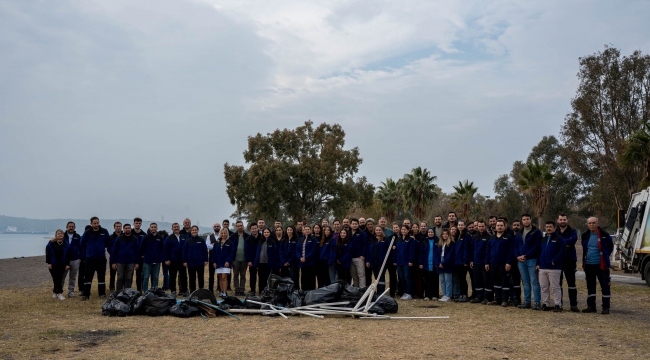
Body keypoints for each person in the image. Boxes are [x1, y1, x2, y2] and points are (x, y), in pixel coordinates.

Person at [581, 217, 613, 314]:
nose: (591, 225)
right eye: (590, 223)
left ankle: (606, 307)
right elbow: (584, 249)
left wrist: (605, 257)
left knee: (605, 286)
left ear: (597, 223)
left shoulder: (605, 235)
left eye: (593, 223)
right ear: (587, 224)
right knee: (590, 286)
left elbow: (610, 247)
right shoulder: (585, 235)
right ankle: (591, 306)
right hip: (589, 265)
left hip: (601, 265)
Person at [515, 214, 542, 310]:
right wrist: (517, 256)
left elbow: (537, 246)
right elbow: (516, 246)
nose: (525, 221)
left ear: (530, 220)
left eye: (527, 219)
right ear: (522, 221)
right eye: (524, 219)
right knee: (525, 282)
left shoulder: (536, 232)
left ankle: (537, 302)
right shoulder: (519, 233)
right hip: (521, 261)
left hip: (532, 259)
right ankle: (527, 302)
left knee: (534, 281)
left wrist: (526, 255)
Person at [538, 221, 566, 312]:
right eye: (547, 227)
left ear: (554, 228)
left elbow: (562, 251)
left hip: (554, 267)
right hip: (542, 267)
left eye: (550, 227)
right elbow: (539, 252)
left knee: (555, 287)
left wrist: (555, 260)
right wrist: (538, 263)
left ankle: (558, 305)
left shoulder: (559, 239)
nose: (548, 228)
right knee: (544, 287)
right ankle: (545, 304)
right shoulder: (543, 239)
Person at [80, 217, 110, 300]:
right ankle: (86, 295)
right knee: (88, 277)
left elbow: (108, 242)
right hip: (90, 258)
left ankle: (102, 294)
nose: (96, 225)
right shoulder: (87, 232)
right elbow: (81, 243)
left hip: (101, 258)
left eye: (97, 223)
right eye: (94, 223)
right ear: (91, 223)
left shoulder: (104, 231)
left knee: (101, 277)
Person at [486, 220, 514, 307]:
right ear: (496, 226)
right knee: (496, 282)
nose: (499, 227)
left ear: (505, 227)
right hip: (493, 263)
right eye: (498, 225)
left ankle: (504, 300)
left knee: (504, 282)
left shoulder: (508, 237)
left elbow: (511, 251)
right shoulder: (492, 238)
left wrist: (509, 262)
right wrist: (487, 263)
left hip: (504, 263)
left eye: (501, 225)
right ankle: (497, 299)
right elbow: (488, 251)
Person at [556, 214, 579, 312]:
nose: (562, 221)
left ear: (567, 220)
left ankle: (573, 305)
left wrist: (559, 243)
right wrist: (565, 243)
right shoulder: (554, 231)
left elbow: (572, 241)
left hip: (570, 261)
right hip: (558, 261)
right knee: (558, 284)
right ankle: (559, 304)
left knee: (572, 284)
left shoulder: (573, 231)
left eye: (564, 219)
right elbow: (553, 243)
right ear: (557, 220)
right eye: (560, 219)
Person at [110, 224, 139, 292]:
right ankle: (118, 292)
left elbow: (137, 251)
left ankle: (127, 292)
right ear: (123, 229)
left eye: (129, 228)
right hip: (120, 261)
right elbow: (114, 251)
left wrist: (137, 263)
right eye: (126, 228)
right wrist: (113, 262)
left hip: (130, 262)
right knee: (120, 277)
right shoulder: (119, 238)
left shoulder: (134, 239)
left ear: (131, 229)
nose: (127, 229)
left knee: (128, 278)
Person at [469, 221, 492, 304]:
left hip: (485, 263)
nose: (481, 228)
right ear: (477, 227)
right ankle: (479, 297)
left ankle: (487, 297)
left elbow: (489, 251)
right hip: (476, 262)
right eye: (479, 226)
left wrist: (487, 262)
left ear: (485, 226)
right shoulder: (474, 237)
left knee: (486, 280)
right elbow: (472, 250)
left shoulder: (489, 237)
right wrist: (471, 260)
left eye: (482, 226)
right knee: (477, 280)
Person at [163, 223, 187, 297]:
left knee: (183, 276)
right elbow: (165, 249)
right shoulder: (169, 238)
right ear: (172, 228)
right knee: (173, 276)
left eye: (177, 227)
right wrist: (166, 259)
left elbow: (186, 248)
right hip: (172, 261)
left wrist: (185, 259)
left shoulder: (183, 236)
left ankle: (185, 290)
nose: (176, 228)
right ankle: (173, 291)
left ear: (179, 228)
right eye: (175, 227)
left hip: (182, 260)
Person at [183, 225, 208, 293]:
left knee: (200, 277)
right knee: (192, 278)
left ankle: (201, 291)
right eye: (193, 230)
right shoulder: (188, 241)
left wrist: (206, 260)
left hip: (200, 262)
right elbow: (185, 251)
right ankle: (192, 291)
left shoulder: (201, 240)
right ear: (191, 231)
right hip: (190, 263)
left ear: (197, 231)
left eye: (195, 230)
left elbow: (205, 250)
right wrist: (184, 261)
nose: (194, 231)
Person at [46, 229, 70, 300]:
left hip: (62, 264)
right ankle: (57, 292)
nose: (60, 235)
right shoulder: (51, 243)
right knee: (55, 278)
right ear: (56, 235)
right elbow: (48, 253)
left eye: (61, 233)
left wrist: (67, 264)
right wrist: (49, 263)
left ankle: (58, 293)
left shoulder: (66, 244)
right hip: (53, 264)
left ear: (63, 235)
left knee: (59, 278)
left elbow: (68, 255)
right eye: (58, 233)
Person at [211, 228, 236, 297]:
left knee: (224, 277)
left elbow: (232, 253)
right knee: (220, 277)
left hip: (226, 263)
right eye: (222, 233)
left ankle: (225, 292)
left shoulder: (230, 243)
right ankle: (221, 291)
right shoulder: (217, 243)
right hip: (218, 263)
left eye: (224, 233)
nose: (223, 234)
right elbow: (213, 253)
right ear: (220, 234)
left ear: (227, 234)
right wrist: (214, 262)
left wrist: (228, 261)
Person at [140, 223, 164, 292]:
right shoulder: (146, 237)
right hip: (147, 260)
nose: (153, 228)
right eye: (152, 227)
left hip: (157, 260)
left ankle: (154, 291)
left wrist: (161, 257)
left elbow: (162, 248)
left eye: (155, 227)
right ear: (150, 228)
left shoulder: (160, 237)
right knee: (146, 276)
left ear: (157, 228)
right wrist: (142, 255)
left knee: (155, 277)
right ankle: (145, 291)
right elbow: (141, 247)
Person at [394, 224, 415, 300]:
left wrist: (411, 260)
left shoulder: (410, 239)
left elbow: (411, 251)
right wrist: (395, 260)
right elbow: (396, 251)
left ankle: (409, 293)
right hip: (399, 262)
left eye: (405, 229)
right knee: (402, 278)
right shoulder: (398, 239)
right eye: (402, 229)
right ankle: (404, 292)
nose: (403, 231)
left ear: (408, 230)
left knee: (407, 277)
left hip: (407, 262)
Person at [255, 228, 280, 293]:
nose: (266, 233)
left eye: (267, 232)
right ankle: (261, 291)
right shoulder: (260, 241)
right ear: (263, 233)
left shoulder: (273, 241)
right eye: (265, 232)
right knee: (260, 277)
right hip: (261, 262)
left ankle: (267, 291)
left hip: (268, 263)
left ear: (270, 233)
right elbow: (257, 252)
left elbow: (275, 253)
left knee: (267, 278)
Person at [366, 226, 390, 293]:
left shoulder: (385, 239)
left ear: (382, 231)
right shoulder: (371, 240)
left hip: (382, 262)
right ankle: (377, 291)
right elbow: (368, 250)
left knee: (381, 277)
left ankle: (381, 292)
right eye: (377, 230)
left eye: (379, 230)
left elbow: (388, 250)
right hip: (373, 261)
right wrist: (367, 260)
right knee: (376, 277)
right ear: (375, 231)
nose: (378, 231)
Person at [62, 221, 82, 298]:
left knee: (73, 277)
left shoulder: (77, 236)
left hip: (75, 259)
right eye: (69, 226)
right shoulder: (63, 236)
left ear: (74, 227)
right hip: (64, 260)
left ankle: (71, 292)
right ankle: (59, 291)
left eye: (72, 226)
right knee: (62, 276)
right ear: (66, 227)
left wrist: (80, 257)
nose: (71, 228)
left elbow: (81, 247)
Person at [229, 221, 249, 296]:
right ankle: (237, 289)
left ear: (243, 226)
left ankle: (242, 289)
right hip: (235, 259)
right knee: (236, 275)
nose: (240, 227)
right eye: (238, 226)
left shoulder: (247, 236)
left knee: (243, 275)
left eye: (241, 225)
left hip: (244, 259)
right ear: (236, 227)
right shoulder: (233, 236)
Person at [435, 229, 455, 302]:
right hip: (440, 262)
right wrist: (438, 263)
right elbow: (436, 255)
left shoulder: (452, 243)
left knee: (448, 281)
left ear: (448, 235)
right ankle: (444, 295)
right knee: (442, 280)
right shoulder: (439, 244)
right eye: (443, 234)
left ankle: (448, 295)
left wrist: (444, 263)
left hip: (447, 263)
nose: (444, 235)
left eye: (446, 234)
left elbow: (450, 255)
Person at [296, 225, 318, 290]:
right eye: (306, 229)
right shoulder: (300, 239)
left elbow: (314, 250)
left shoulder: (313, 239)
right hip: (302, 263)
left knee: (311, 279)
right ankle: (304, 292)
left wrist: (306, 258)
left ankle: (311, 293)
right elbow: (297, 249)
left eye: (308, 229)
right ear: (304, 231)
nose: (307, 230)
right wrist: (300, 257)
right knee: (303, 278)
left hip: (310, 262)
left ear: (310, 230)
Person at [419, 228, 439, 300]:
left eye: (432, 232)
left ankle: (435, 295)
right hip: (426, 264)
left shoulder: (437, 241)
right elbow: (421, 253)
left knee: (435, 280)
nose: (430, 233)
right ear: (427, 233)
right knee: (427, 280)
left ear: (434, 233)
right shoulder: (424, 241)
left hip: (435, 264)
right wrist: (420, 263)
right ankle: (427, 295)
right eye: (429, 232)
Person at [452, 223, 470, 302]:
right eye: (459, 225)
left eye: (462, 225)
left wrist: (465, 261)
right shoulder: (457, 236)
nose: (460, 226)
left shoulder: (466, 236)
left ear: (464, 226)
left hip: (463, 262)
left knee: (463, 279)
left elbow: (466, 249)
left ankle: (464, 295)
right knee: (459, 279)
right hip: (457, 261)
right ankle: (460, 294)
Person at [349, 218, 368, 288]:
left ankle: (362, 290)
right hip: (351, 258)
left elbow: (365, 245)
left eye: (355, 224)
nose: (354, 225)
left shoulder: (362, 233)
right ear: (350, 225)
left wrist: (363, 255)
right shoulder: (348, 233)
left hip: (359, 258)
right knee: (354, 276)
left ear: (358, 224)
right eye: (353, 224)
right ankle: (356, 290)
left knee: (361, 275)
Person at [132, 217, 147, 292]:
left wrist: (143, 254)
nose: (138, 224)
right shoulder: (129, 233)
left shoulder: (144, 234)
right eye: (136, 223)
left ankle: (139, 289)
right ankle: (128, 289)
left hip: (140, 257)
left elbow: (145, 246)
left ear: (141, 224)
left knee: (140, 274)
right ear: (133, 223)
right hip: (130, 256)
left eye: (139, 223)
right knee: (129, 275)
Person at [245, 223, 260, 295]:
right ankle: (253, 290)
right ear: (250, 230)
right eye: (252, 229)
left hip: (261, 261)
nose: (254, 230)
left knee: (262, 276)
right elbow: (246, 251)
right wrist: (248, 261)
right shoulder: (248, 239)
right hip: (252, 261)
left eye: (255, 228)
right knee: (252, 276)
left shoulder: (262, 237)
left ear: (258, 228)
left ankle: (261, 290)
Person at [206, 222, 221, 294]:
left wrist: (214, 245)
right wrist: (217, 246)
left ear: (220, 227)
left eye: (218, 226)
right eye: (215, 226)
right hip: (212, 257)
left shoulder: (223, 235)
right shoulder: (209, 236)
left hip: (221, 258)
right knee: (211, 274)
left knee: (221, 274)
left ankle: (220, 288)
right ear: (213, 228)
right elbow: (208, 246)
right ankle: (210, 289)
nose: (216, 227)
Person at [108, 222, 122, 292]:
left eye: (119, 226)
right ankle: (112, 288)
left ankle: (120, 288)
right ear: (114, 227)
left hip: (122, 258)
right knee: (112, 274)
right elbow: (108, 247)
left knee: (121, 275)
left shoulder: (124, 236)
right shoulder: (111, 237)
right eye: (117, 226)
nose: (118, 227)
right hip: (113, 258)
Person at [386, 223, 400, 297]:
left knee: (401, 276)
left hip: (400, 259)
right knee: (393, 276)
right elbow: (388, 249)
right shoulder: (390, 238)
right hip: (392, 260)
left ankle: (400, 291)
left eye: (397, 227)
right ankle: (392, 292)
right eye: (394, 228)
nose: (396, 229)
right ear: (392, 229)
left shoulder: (401, 236)